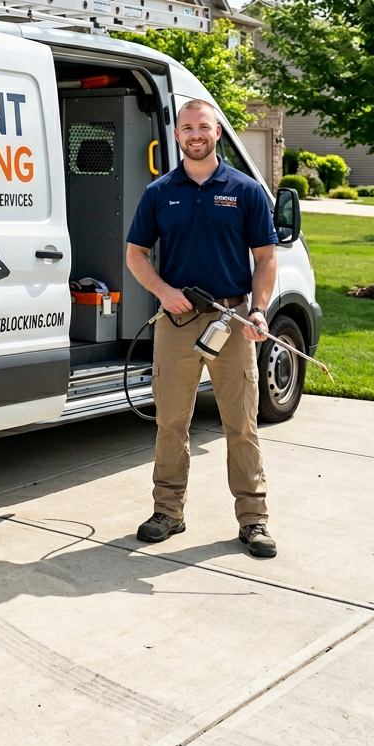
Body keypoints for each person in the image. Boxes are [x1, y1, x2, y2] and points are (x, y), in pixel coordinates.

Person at [125, 98, 279, 559]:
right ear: (176, 135)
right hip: (176, 322)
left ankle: (253, 520)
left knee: (241, 424)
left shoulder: (246, 190)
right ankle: (167, 512)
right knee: (171, 422)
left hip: (233, 321)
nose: (195, 134)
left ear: (216, 133)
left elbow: (266, 258)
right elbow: (136, 255)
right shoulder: (158, 193)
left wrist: (258, 310)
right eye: (187, 127)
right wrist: (163, 291)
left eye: (204, 127)